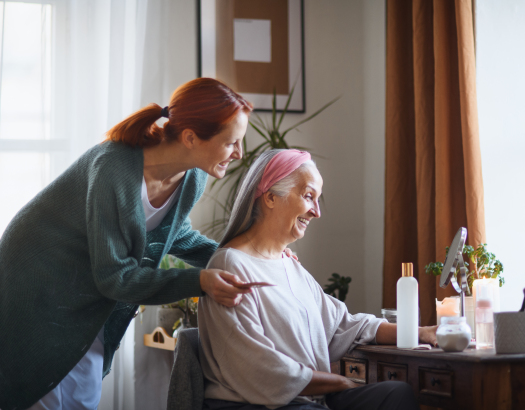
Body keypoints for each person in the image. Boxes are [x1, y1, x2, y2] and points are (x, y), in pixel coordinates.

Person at [0, 78, 264, 410]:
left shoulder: (192, 175)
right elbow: (115, 277)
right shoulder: (114, 168)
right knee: (47, 396)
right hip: (37, 284)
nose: (239, 154)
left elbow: (177, 234)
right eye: (231, 143)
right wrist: (199, 281)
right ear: (191, 137)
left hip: (88, 290)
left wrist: (251, 259)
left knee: (81, 396)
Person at [197, 149, 438, 410]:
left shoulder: (290, 266)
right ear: (270, 198)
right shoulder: (230, 265)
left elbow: (343, 327)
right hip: (259, 405)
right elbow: (258, 368)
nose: (317, 212)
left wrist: (420, 332)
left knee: (396, 394)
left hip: (307, 400)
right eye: (308, 196)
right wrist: (340, 382)